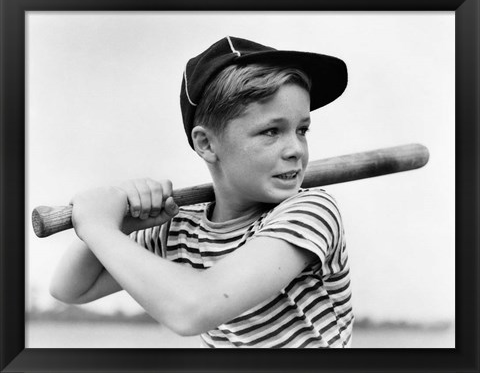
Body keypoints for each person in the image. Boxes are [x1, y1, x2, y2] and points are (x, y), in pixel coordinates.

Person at [50, 36, 354, 348]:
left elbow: (193, 310)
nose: (295, 149)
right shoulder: (180, 227)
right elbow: (71, 288)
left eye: (301, 130)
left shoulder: (311, 210)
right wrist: (117, 224)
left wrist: (97, 227)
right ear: (207, 144)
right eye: (271, 131)